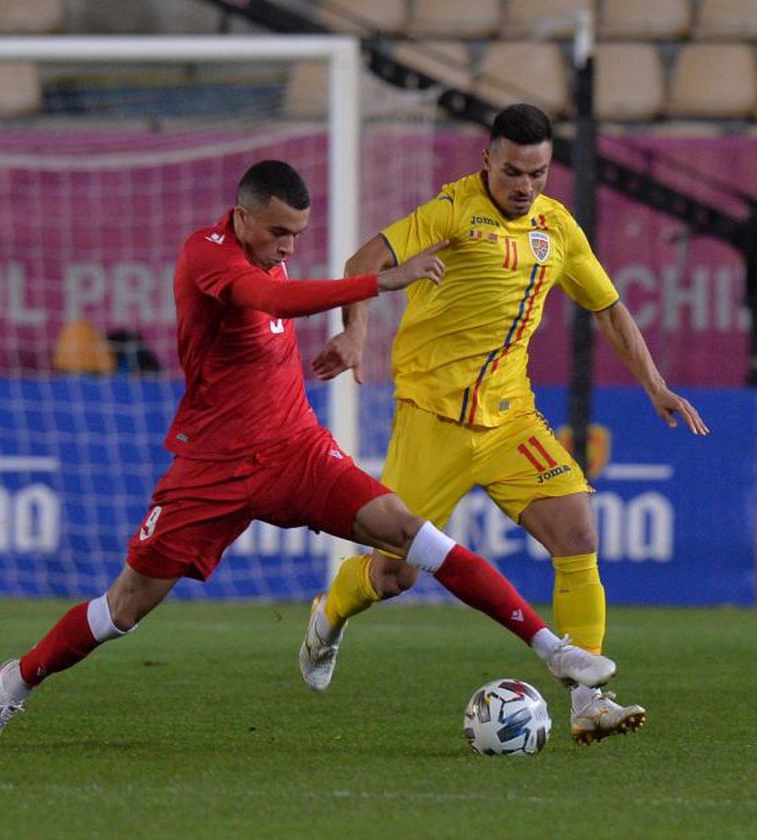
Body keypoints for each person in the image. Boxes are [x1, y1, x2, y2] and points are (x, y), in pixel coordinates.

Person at [0, 159, 616, 746]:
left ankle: (553, 649)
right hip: (214, 468)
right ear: (242, 217)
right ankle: (14, 683)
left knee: (417, 538)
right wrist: (379, 284)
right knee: (122, 609)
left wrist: (345, 344)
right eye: (276, 234)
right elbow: (269, 299)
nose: (287, 247)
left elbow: (268, 327)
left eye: (297, 235)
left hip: (297, 450)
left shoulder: (269, 249)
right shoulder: (207, 256)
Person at [303, 104, 710, 745]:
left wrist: (655, 385)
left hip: (508, 418)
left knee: (577, 528)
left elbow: (608, 308)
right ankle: (330, 609)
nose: (526, 186)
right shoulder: (452, 211)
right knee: (394, 575)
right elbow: (360, 263)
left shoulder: (558, 228)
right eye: (514, 172)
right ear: (487, 160)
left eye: (539, 173)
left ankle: (588, 700)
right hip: (433, 419)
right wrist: (355, 335)